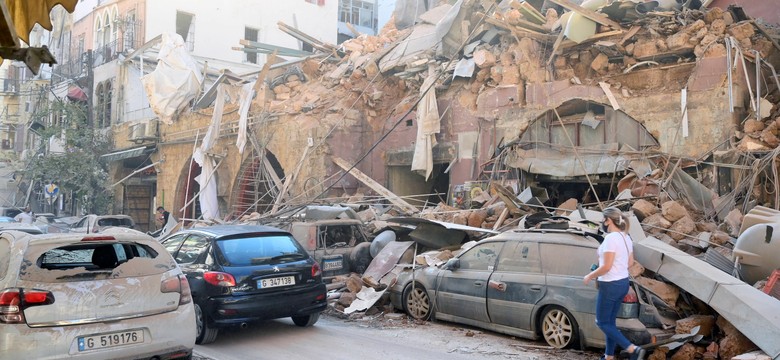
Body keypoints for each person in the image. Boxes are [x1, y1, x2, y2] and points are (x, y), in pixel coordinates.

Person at [583, 207, 646, 360]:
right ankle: (609, 356)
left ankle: (633, 349)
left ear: (608, 220)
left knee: (602, 322)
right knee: (610, 322)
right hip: (623, 283)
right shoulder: (626, 237)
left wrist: (590, 276)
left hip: (610, 284)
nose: (602, 223)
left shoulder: (611, 238)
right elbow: (630, 262)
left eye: (603, 220)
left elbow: (607, 267)